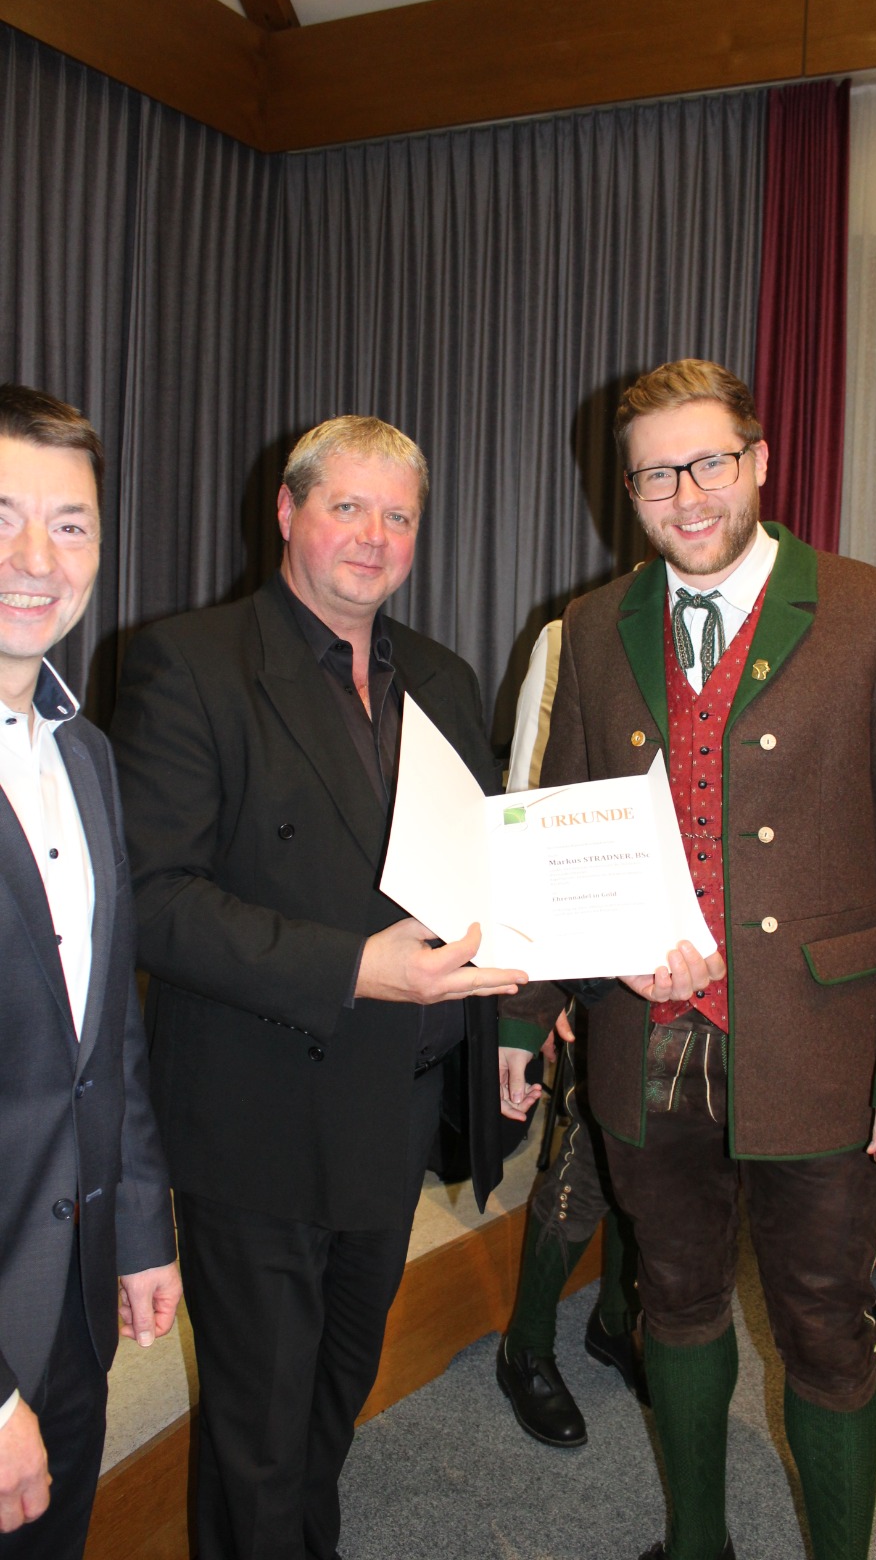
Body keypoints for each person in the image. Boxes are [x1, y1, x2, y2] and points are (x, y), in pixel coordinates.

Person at [498, 359, 876, 1560]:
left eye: (708, 461)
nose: (686, 494)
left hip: (822, 1051)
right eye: (655, 474)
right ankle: (697, 1543)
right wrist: (528, 1007)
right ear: (626, 491)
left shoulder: (871, 610)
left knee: (824, 1327)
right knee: (674, 1299)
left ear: (759, 460)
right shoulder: (593, 626)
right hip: (645, 1039)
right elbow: (561, 825)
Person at [109, 415, 528, 1560]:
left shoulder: (443, 676)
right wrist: (352, 966)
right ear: (287, 512)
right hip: (256, 1111)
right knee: (256, 1426)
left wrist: (521, 1013)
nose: (373, 536)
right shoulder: (187, 662)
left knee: (338, 1388)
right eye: (348, 506)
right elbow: (152, 897)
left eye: (398, 516)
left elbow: (484, 867)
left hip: (392, 1108)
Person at [0, 384, 180, 1558]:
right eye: (2, 516)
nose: (36, 559)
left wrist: (140, 1225)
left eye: (69, 524)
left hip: (68, 1300)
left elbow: (106, 1027)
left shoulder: (87, 754)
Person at [497, 620, 647, 1450]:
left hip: (693, 964)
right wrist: (542, 988)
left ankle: (615, 1319)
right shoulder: (571, 639)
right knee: (587, 1164)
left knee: (653, 1162)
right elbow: (530, 811)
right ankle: (525, 1345)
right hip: (596, 954)